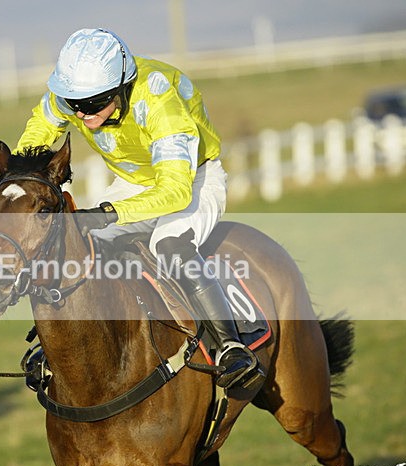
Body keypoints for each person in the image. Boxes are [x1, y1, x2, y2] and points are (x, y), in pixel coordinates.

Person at [15, 28, 264, 390]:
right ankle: (55, 346)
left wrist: (109, 212)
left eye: (96, 103)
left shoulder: (158, 96)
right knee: (78, 243)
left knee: (170, 244)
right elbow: (41, 125)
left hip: (192, 178)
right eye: (75, 104)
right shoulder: (72, 96)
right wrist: (26, 169)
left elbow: (174, 191)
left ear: (122, 87)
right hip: (135, 182)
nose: (84, 115)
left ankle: (231, 347)